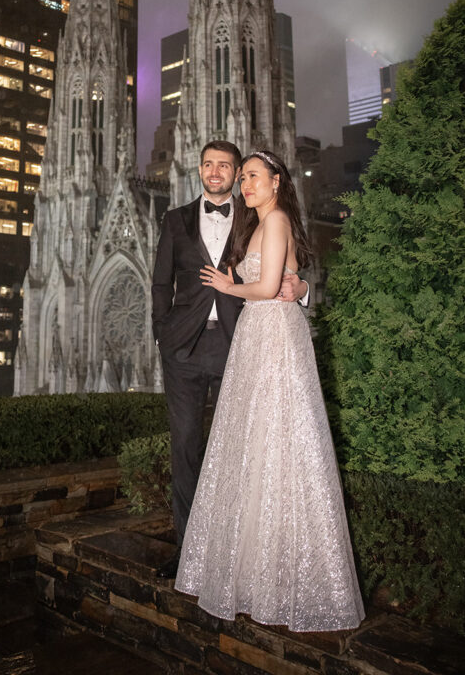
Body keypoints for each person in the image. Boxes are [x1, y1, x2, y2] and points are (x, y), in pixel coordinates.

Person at [175, 149, 364, 632]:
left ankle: (282, 579)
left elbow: (262, 287)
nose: (244, 184)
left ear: (277, 181)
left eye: (252, 176)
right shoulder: (253, 223)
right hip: (256, 336)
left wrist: (228, 284)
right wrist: (288, 283)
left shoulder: (275, 219)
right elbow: (280, 276)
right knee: (253, 443)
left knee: (280, 439)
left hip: (271, 333)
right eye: (243, 178)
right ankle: (255, 574)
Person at [151, 141, 309, 580]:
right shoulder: (175, 219)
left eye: (226, 166)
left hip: (240, 343)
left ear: (238, 172)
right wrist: (162, 334)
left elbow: (291, 268)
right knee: (184, 449)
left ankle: (231, 552)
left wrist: (301, 290)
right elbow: (160, 283)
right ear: (198, 169)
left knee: (238, 450)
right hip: (182, 350)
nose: (216, 172)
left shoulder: (256, 212)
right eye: (208, 165)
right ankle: (188, 552)